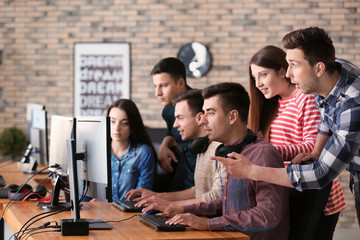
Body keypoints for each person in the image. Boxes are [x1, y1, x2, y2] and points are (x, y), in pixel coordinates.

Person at [212, 27, 360, 227]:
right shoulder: (332, 73)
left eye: (294, 65)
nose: (288, 73)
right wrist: (316, 151)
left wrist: (253, 170)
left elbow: (321, 174)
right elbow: (327, 114)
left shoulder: (352, 105)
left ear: (318, 69)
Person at [143, 82, 289, 240]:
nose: (202, 120)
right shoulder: (233, 152)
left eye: (210, 113)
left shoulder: (262, 155)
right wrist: (182, 209)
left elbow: (267, 214)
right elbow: (226, 203)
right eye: (203, 112)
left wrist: (208, 224)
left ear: (232, 116)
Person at [248, 45, 346, 239]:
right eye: (254, 77)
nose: (258, 83)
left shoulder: (305, 98)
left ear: (283, 71)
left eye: (263, 75)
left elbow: (313, 146)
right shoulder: (273, 105)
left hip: (315, 195)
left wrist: (268, 151)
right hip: (288, 190)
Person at [125, 89, 226, 206]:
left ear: (199, 118)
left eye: (180, 118)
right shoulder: (200, 146)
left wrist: (171, 205)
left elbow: (216, 197)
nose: (175, 124)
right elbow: (198, 191)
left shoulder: (219, 149)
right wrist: (158, 196)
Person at [151, 57, 197, 190]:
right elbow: (171, 133)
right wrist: (164, 145)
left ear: (181, 83)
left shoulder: (202, 105)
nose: (157, 93)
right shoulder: (168, 110)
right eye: (155, 86)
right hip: (184, 174)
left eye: (163, 85)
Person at [106, 99, 157, 201]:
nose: (117, 128)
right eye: (112, 121)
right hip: (97, 213)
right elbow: (85, 193)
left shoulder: (143, 153)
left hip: (129, 215)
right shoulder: (97, 151)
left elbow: (141, 197)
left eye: (124, 123)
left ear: (133, 125)